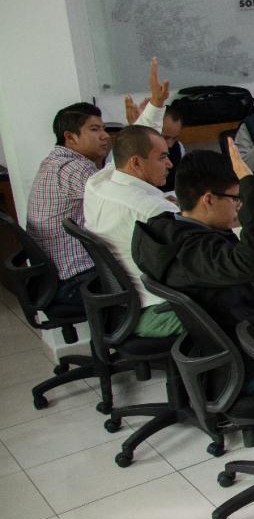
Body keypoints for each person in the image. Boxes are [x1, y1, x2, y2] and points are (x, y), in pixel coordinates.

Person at [132, 142, 254, 396]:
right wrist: (250, 187)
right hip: (249, 367)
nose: (239, 206)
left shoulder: (168, 231)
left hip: (233, 353)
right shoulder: (194, 253)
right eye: (236, 199)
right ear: (208, 199)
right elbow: (248, 264)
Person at [83, 58, 183, 338]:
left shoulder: (98, 182)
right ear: (137, 164)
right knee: (243, 301)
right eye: (162, 157)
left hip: (123, 306)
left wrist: (156, 105)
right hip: (156, 311)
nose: (170, 164)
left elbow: (130, 145)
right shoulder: (151, 209)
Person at [25, 102, 111, 307]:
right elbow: (121, 200)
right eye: (95, 129)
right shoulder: (75, 168)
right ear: (70, 137)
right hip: (74, 283)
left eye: (104, 129)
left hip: (53, 280)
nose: (105, 136)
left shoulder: (55, 161)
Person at [125, 97, 186, 191]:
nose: (170, 144)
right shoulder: (126, 149)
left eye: (174, 138)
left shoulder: (179, 148)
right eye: (165, 137)